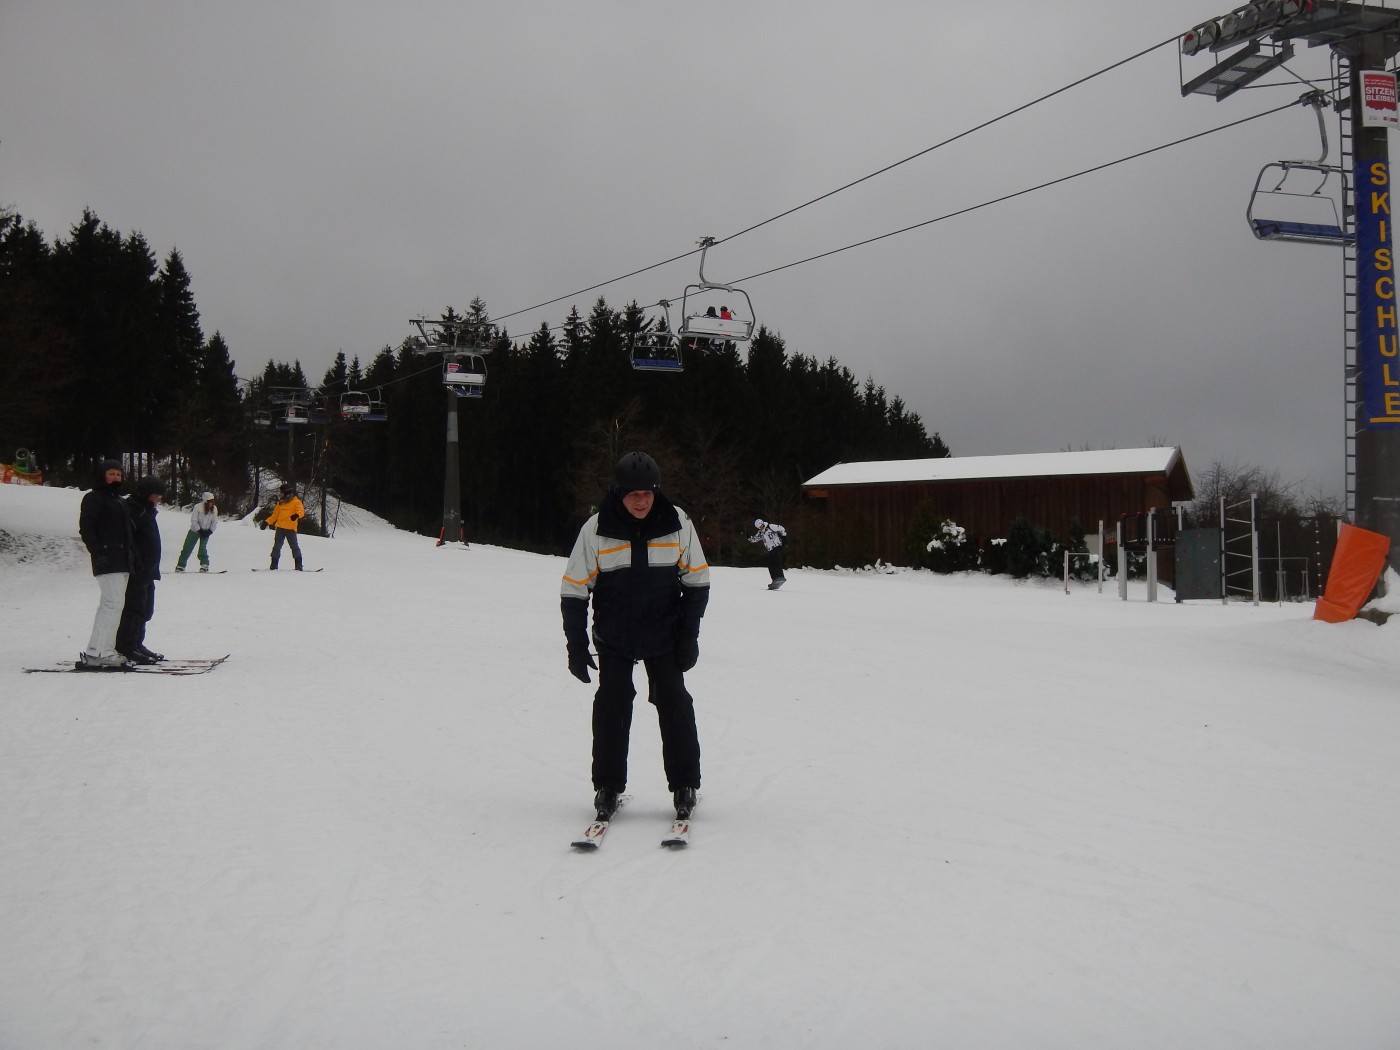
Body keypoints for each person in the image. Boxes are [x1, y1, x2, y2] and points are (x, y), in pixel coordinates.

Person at [561, 451, 710, 822]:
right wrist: (576, 645)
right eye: (633, 494)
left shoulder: (678, 522)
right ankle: (607, 786)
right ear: (619, 493)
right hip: (615, 634)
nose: (641, 501)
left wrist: (689, 635)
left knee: (675, 702)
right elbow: (575, 589)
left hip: (664, 632)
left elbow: (697, 581)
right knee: (612, 704)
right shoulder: (596, 529)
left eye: (648, 493)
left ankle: (685, 784)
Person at [77, 460, 137, 669]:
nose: (116, 478)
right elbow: (87, 528)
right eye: (111, 474)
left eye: (119, 474)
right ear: (103, 475)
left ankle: (97, 649)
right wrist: (98, 552)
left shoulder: (120, 501)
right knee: (112, 604)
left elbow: (128, 532)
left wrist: (133, 556)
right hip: (107, 559)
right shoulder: (93, 498)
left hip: (122, 560)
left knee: (112, 605)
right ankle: (102, 652)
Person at [116, 476, 166, 664]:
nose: (159, 499)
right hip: (136, 569)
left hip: (148, 570)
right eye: (156, 495)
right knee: (133, 608)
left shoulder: (146, 511)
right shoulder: (133, 510)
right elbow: (128, 539)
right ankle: (126, 646)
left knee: (145, 609)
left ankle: (137, 643)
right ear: (147, 494)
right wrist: (136, 561)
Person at [260, 484, 305, 570]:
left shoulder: (297, 502)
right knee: (277, 547)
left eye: (282, 493)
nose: (280, 494)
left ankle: (299, 565)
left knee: (294, 547)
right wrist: (266, 522)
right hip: (280, 528)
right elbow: (275, 516)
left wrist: (296, 515)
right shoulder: (280, 503)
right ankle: (274, 565)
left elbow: (301, 511)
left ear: (287, 493)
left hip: (291, 529)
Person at [175, 492, 219, 572]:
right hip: (194, 531)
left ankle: (205, 565)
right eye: (209, 501)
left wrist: (210, 531)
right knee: (187, 547)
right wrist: (199, 530)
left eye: (212, 501)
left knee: (202, 548)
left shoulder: (214, 509)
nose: (211, 503)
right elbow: (194, 520)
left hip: (206, 532)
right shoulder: (197, 507)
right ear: (205, 501)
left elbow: (214, 521)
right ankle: (181, 565)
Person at [749, 518, 788, 590]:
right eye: (759, 527)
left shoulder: (770, 526)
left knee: (776, 561)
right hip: (770, 549)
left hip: (777, 546)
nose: (761, 528)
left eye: (761, 526)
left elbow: (781, 528)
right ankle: (775, 580)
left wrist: (784, 539)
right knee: (770, 565)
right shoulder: (761, 533)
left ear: (763, 523)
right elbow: (755, 539)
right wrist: (749, 537)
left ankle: (780, 576)